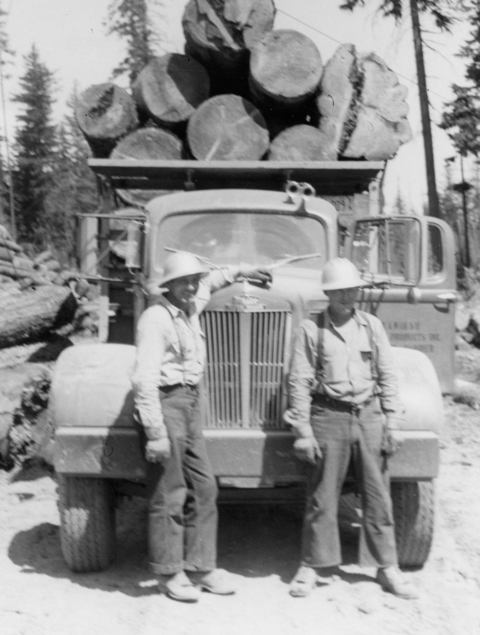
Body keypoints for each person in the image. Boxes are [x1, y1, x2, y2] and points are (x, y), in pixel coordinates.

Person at [132, 250, 272, 603]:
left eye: (194, 281)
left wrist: (243, 269)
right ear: (169, 285)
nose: (192, 287)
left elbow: (213, 279)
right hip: (167, 406)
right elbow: (144, 381)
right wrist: (156, 433)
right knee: (169, 492)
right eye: (184, 281)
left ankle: (200, 566)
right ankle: (169, 572)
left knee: (205, 486)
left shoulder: (193, 303)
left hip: (193, 403)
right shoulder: (157, 319)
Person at [284, 257, 418, 600]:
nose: (347, 295)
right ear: (328, 293)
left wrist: (394, 423)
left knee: (378, 495)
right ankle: (312, 566)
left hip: (369, 417)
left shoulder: (372, 326)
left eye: (352, 289)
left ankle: (388, 567)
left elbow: (387, 375)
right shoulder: (311, 329)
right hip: (328, 416)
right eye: (339, 290)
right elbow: (298, 381)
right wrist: (303, 431)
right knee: (322, 495)